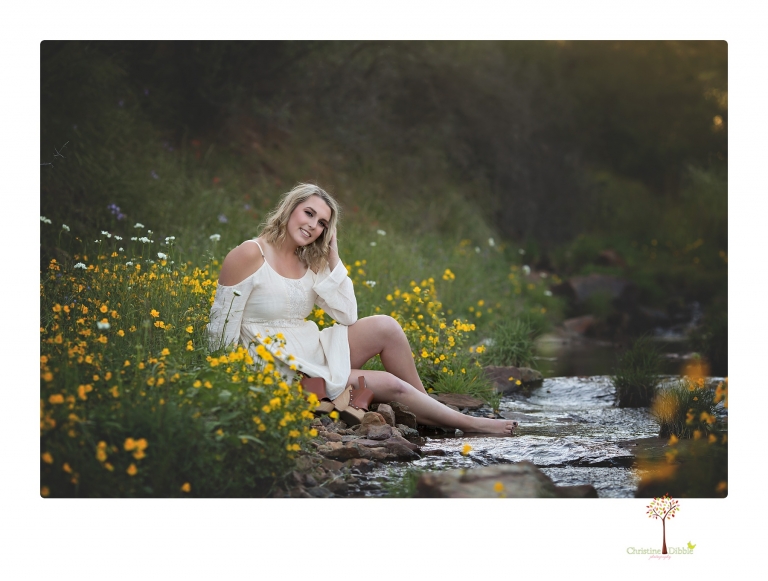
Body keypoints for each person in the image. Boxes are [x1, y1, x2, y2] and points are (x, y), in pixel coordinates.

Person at [207, 183, 518, 435]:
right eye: (309, 214)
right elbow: (220, 330)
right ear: (290, 209)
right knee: (392, 385)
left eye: (323, 223)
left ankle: (429, 409)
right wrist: (233, 386)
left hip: (310, 347)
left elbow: (347, 316)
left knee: (386, 326)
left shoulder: (308, 261)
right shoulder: (250, 254)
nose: (313, 225)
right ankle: (472, 424)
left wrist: (333, 256)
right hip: (277, 365)